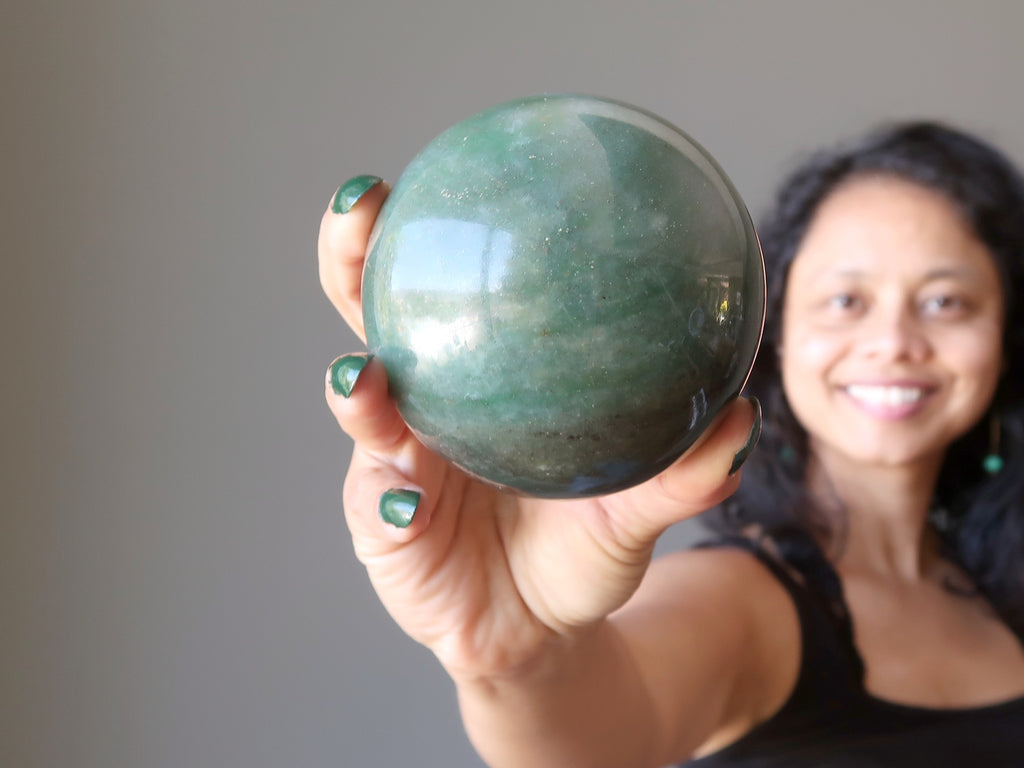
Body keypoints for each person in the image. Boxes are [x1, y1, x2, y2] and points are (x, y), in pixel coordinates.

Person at [317, 121, 1024, 766]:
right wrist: (520, 662)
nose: (894, 344)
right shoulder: (739, 602)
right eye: (846, 301)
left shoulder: (1001, 594)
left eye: (945, 302)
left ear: (1005, 336)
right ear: (768, 333)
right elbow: (601, 741)